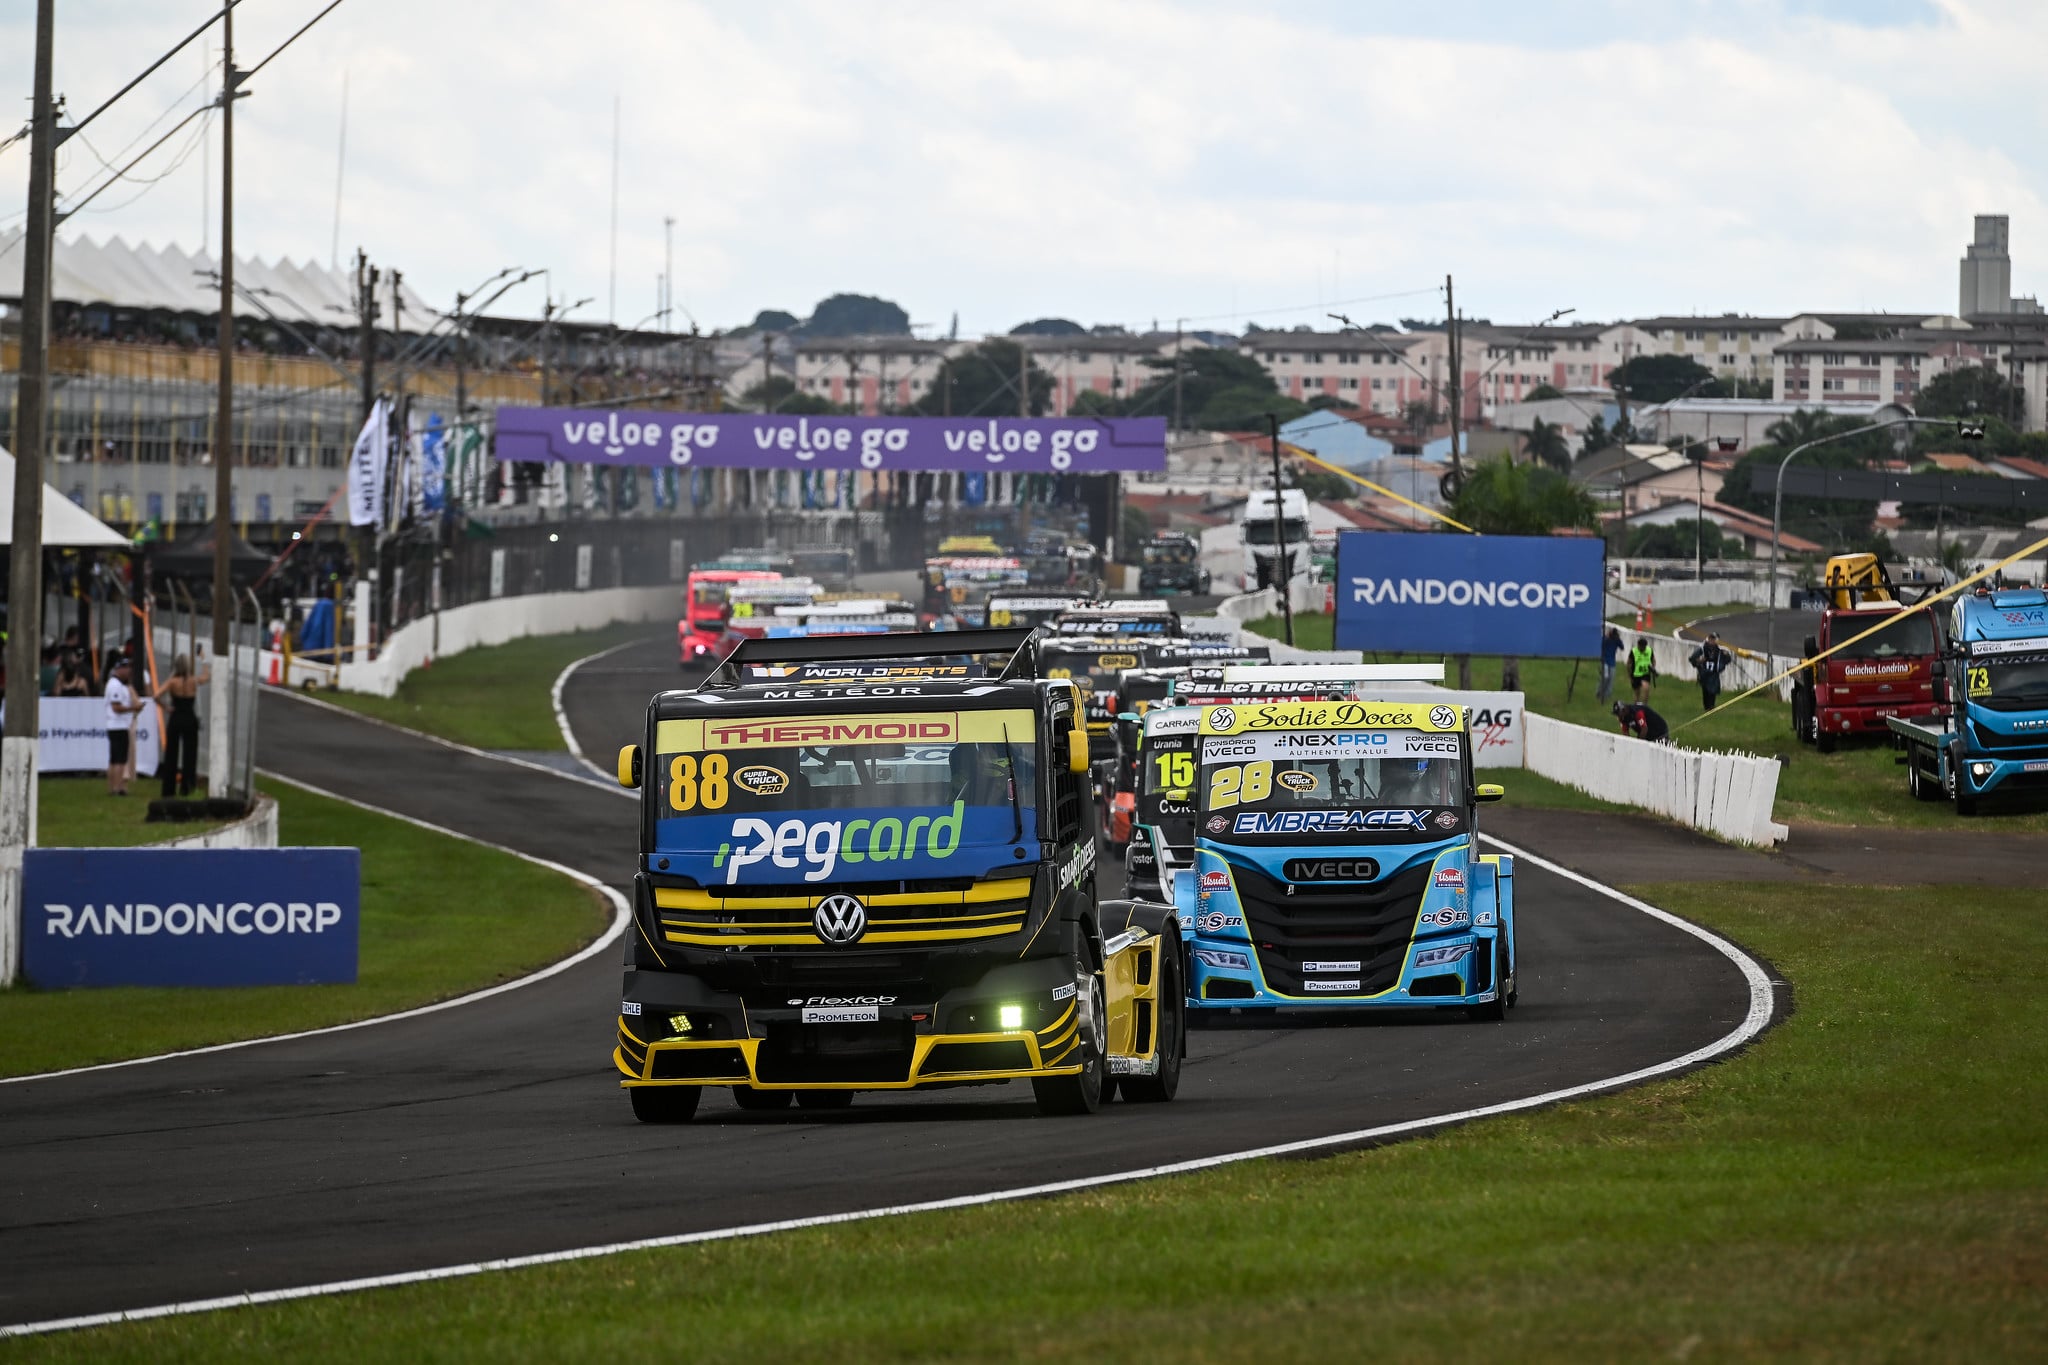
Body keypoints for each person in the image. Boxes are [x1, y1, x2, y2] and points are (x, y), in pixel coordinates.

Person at [154, 649, 211, 799]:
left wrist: (166, 707)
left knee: (171, 753)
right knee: (190, 754)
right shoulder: (193, 681)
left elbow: (156, 695)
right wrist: (203, 660)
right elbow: (207, 677)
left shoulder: (172, 682)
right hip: (189, 717)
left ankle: (169, 789)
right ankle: (187, 786)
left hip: (176, 716)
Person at [103, 657, 145, 796]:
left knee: (115, 759)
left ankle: (114, 787)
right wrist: (133, 708)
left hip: (118, 725)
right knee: (119, 760)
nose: (129, 671)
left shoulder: (120, 685)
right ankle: (116, 787)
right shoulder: (115, 685)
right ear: (119, 669)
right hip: (118, 725)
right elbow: (116, 707)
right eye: (126, 668)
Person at [1689, 632, 1733, 711]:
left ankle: (1711, 706)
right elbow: (1692, 659)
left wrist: (1727, 655)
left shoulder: (1719, 651)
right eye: (1711, 639)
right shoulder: (1702, 649)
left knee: (1713, 690)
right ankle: (1707, 707)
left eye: (1714, 639)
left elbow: (1727, 660)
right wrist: (1699, 661)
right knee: (1706, 691)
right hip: (1704, 673)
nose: (1712, 641)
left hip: (1714, 674)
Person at [1597, 625, 1624, 703]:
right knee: (1605, 677)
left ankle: (1607, 694)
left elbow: (1622, 647)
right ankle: (1599, 691)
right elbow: (1601, 645)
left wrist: (1618, 639)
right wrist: (1607, 637)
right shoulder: (1605, 639)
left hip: (1612, 662)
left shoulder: (1616, 640)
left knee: (1611, 678)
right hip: (1604, 661)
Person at [1628, 635, 1657, 703]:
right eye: (1641, 646)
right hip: (1635, 674)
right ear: (1638, 645)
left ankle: (1644, 705)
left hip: (1645, 673)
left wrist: (1653, 667)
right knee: (1637, 693)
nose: (1643, 648)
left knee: (1646, 689)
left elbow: (1653, 660)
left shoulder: (1649, 650)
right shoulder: (1633, 651)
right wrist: (1630, 675)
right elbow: (1629, 663)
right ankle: (1636, 706)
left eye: (1644, 646)